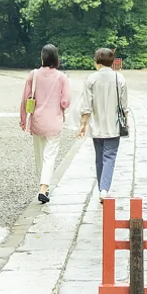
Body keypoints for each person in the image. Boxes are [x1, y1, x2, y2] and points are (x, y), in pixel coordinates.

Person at [20, 44, 71, 204]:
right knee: (50, 156)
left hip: (37, 121)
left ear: (42, 57)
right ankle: (44, 187)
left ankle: (43, 186)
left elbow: (25, 99)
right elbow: (66, 101)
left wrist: (23, 119)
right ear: (56, 59)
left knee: (39, 155)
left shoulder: (33, 75)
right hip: (54, 122)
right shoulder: (62, 77)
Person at [77, 47, 128, 196]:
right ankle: (104, 190)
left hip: (96, 125)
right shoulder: (120, 78)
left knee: (99, 157)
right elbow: (124, 105)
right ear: (112, 61)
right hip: (114, 125)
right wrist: (127, 121)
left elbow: (87, 106)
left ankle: (101, 188)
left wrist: (83, 124)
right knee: (110, 156)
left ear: (97, 61)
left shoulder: (91, 79)